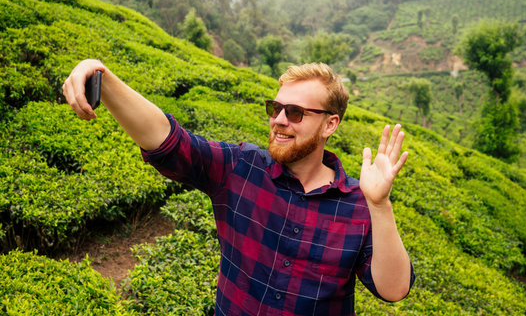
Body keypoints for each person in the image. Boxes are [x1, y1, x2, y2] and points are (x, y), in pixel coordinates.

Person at [63, 60, 414, 316]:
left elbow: (393, 289)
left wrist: (380, 205)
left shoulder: (357, 205)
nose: (279, 120)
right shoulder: (241, 168)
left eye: (295, 113)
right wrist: (101, 75)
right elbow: (169, 141)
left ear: (329, 124)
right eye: (275, 108)